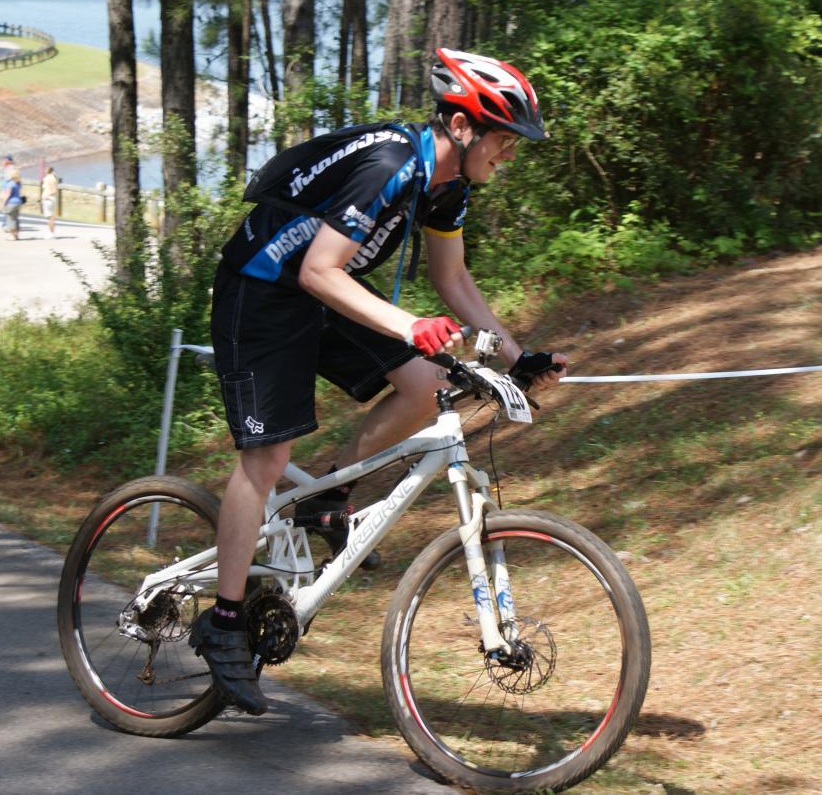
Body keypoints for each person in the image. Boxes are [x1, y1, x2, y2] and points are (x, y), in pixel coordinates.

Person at [190, 48, 569, 716]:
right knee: (267, 457)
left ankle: (326, 498)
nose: (508, 153)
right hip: (263, 286)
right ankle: (222, 623)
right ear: (462, 126)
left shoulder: (449, 185)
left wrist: (517, 355)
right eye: (503, 139)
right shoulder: (393, 165)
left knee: (426, 383)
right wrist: (409, 322)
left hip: (322, 285)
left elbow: (452, 278)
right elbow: (316, 272)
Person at [1, 167, 23, 240]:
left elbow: (8, 194)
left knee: (11, 219)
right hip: (18, 201)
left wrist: (3, 203)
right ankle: (16, 234)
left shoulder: (10, 184)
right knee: (16, 218)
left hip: (11, 202)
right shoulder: (18, 183)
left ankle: (13, 235)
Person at [41, 166, 59, 239]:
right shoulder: (52, 178)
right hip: (50, 199)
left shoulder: (49, 178)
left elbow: (54, 190)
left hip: (49, 199)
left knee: (50, 217)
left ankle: (51, 233)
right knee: (50, 216)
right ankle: (51, 232)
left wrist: (47, 196)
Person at [0, 155, 14, 227]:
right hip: (3, 188)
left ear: (10, 161)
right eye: (4, 160)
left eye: (6, 160)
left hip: (8, 189)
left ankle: (5, 223)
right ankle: (5, 222)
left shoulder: (11, 168)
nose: (4, 161)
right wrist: (2, 166)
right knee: (3, 206)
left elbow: (10, 178)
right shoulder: (3, 168)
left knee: (6, 205)